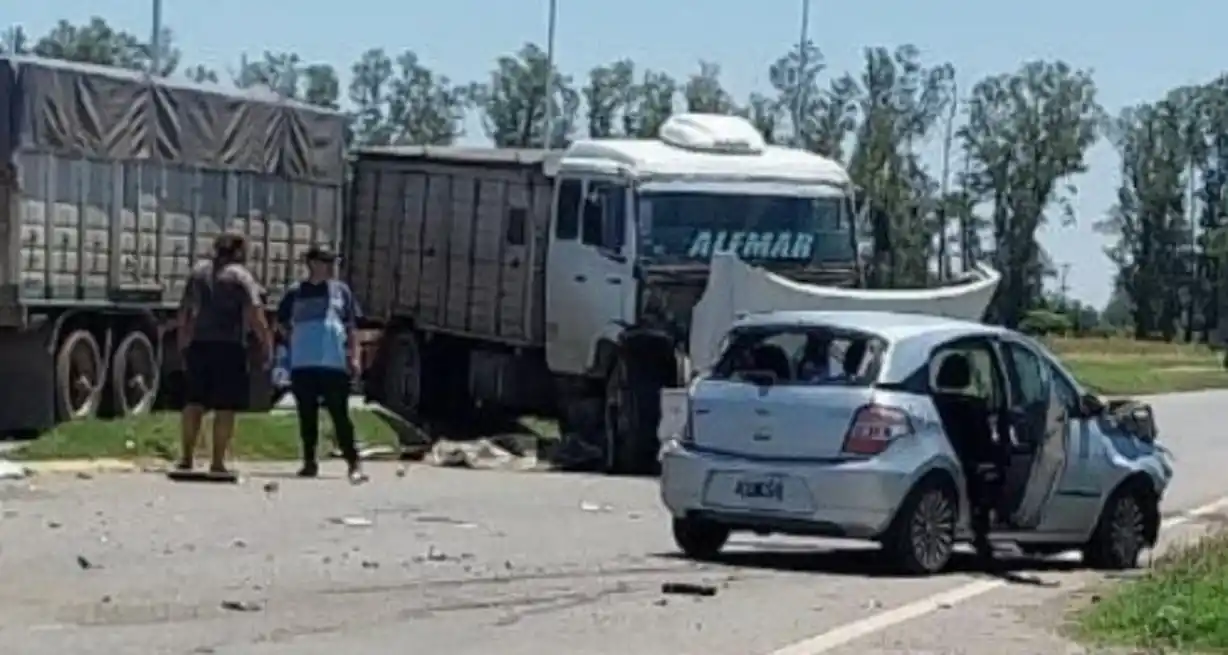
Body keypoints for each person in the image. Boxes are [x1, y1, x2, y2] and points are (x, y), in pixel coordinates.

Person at [177, 232, 272, 477]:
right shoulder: (240, 276)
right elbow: (254, 312)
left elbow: (186, 310)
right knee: (225, 406)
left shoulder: (198, 272)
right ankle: (217, 461)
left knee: (193, 402)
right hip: (229, 345)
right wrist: (265, 341)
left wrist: (183, 340)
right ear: (239, 252)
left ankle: (186, 457)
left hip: (200, 343)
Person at [276, 245, 367, 483]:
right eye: (325, 262)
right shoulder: (295, 292)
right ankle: (309, 461)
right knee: (307, 414)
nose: (330, 267)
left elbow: (351, 327)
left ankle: (353, 462)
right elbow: (281, 324)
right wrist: (292, 345)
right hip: (303, 362)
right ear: (312, 264)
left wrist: (354, 356)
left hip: (333, 362)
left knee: (340, 413)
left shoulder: (341, 291)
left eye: (332, 262)